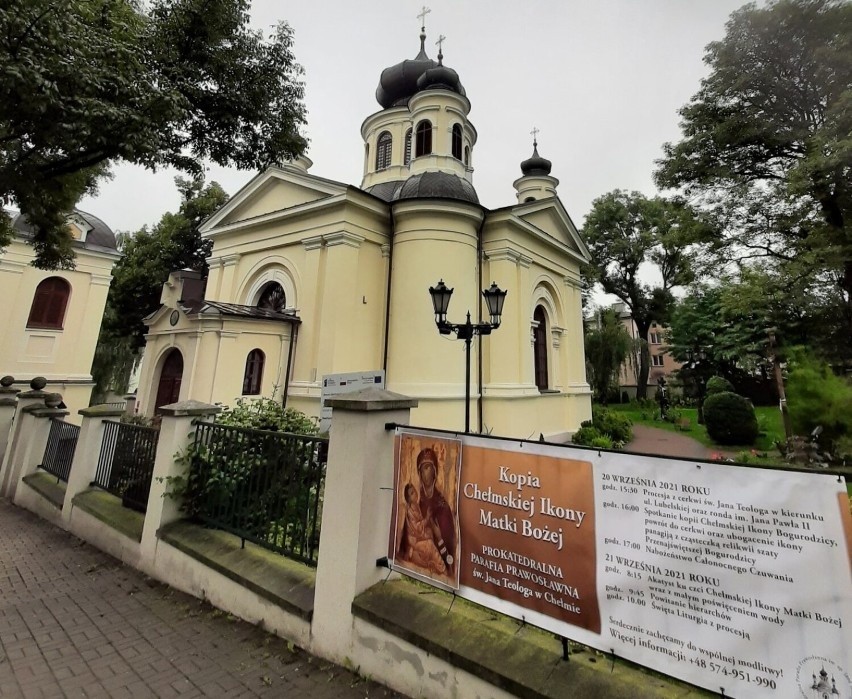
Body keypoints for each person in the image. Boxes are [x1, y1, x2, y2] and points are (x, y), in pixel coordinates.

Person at [398, 446, 456, 575]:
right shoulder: (417, 505)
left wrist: (439, 537)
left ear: (435, 471)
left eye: (429, 467)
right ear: (419, 474)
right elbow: (406, 545)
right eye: (423, 468)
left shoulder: (442, 507)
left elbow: (449, 547)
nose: (426, 472)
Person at [400, 483, 447, 575]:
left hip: (419, 536)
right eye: (412, 493)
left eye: (414, 491)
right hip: (414, 542)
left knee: (430, 532)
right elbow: (417, 528)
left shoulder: (416, 506)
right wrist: (427, 518)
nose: (415, 494)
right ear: (408, 499)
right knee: (429, 544)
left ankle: (434, 562)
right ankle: (442, 568)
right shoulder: (410, 511)